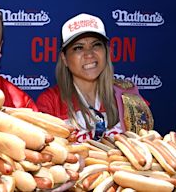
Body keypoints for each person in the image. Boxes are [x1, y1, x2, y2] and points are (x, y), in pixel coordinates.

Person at [36, 13, 153, 142]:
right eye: (78, 48)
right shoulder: (50, 102)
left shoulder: (127, 95)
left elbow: (143, 146)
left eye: (96, 45)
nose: (89, 54)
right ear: (64, 58)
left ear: (106, 51)